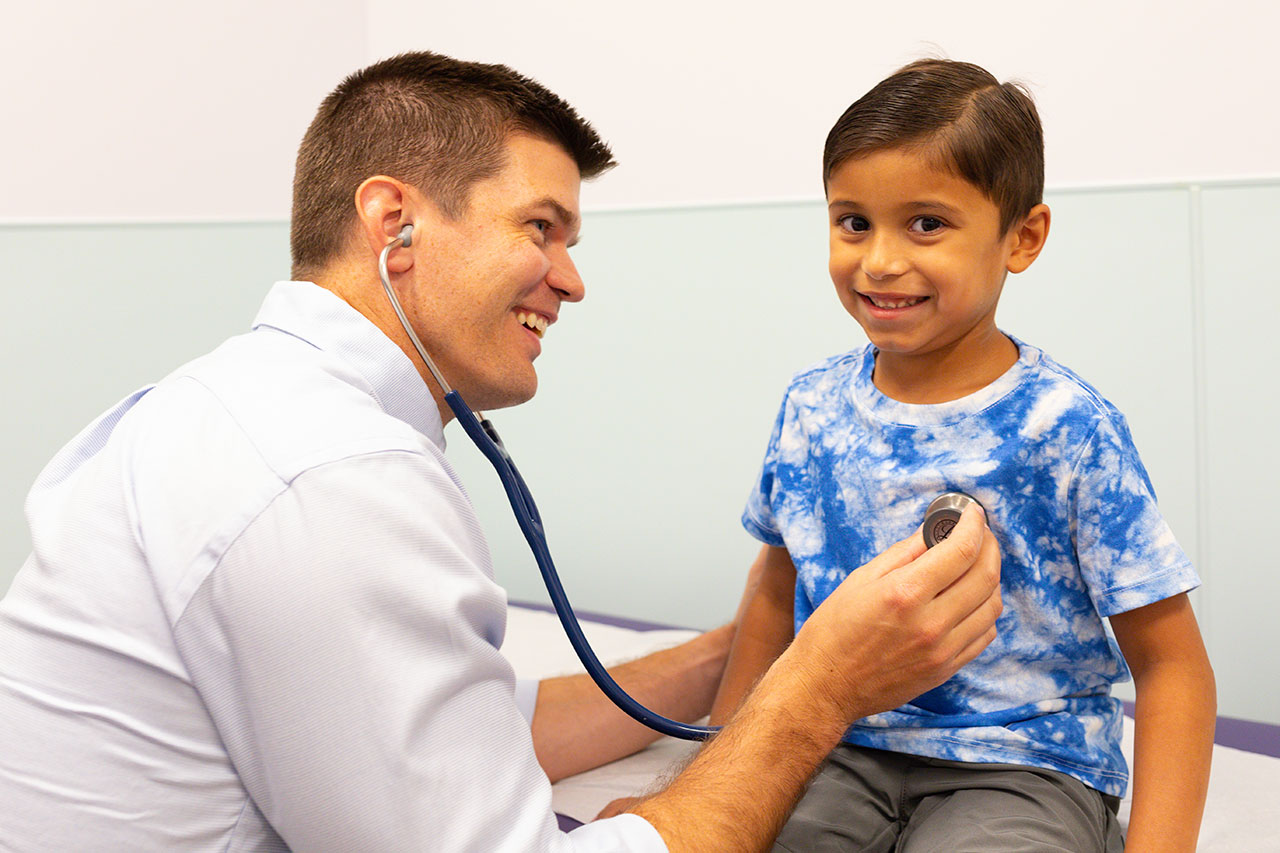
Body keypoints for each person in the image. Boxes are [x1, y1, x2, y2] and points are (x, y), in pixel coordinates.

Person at [0, 52, 1003, 851]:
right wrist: (819, 686)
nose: (570, 282)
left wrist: (726, 654)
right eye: (541, 228)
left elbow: (452, 731)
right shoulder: (330, 476)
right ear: (394, 222)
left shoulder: (239, 406)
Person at [708, 59, 1216, 852]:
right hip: (836, 741)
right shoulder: (810, 408)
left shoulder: (1066, 428)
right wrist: (715, 780)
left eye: (926, 224)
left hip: (1022, 764)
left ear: (1023, 237)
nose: (878, 261)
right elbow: (776, 592)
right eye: (853, 222)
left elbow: (1173, 667)